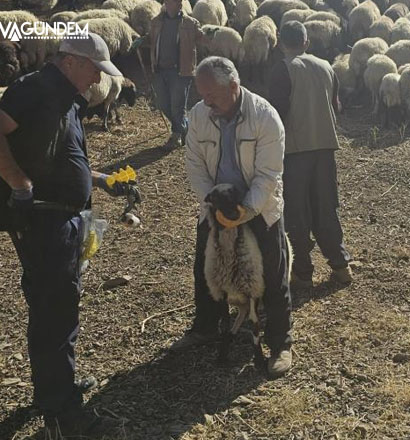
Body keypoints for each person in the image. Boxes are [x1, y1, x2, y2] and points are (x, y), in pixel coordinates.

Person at [0, 34, 132, 437]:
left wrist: (103, 180)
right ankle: (64, 416)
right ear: (72, 61)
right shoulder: (35, 89)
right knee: (56, 313)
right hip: (45, 223)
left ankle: (55, 390)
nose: (96, 79)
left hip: (63, 222)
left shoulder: (64, 97)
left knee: (56, 309)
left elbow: (57, 159)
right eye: (94, 68)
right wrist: (19, 185)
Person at [177, 56, 294, 378]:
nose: (205, 101)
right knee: (206, 268)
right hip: (217, 204)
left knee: (272, 271)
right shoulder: (200, 116)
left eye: (211, 95)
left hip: (260, 205)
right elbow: (194, 164)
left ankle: (280, 342)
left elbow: (269, 173)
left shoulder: (265, 117)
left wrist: (246, 211)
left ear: (233, 86)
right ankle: (206, 326)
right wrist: (211, 203)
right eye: (201, 94)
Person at [267, 21, 352, 288]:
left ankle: (302, 272)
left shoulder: (282, 70)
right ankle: (340, 265)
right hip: (325, 147)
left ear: (280, 42)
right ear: (306, 42)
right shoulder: (327, 66)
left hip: (295, 150)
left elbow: (277, 114)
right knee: (326, 206)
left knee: (297, 210)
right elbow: (336, 106)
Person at [149, 0, 203, 149]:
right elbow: (152, 40)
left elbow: (202, 38)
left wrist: (210, 35)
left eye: (179, 2)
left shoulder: (190, 23)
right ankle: (186, 127)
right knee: (162, 103)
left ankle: (176, 136)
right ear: (166, 3)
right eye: (173, 2)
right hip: (160, 70)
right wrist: (142, 40)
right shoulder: (156, 22)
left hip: (181, 71)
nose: (177, 4)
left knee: (177, 106)